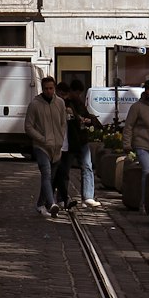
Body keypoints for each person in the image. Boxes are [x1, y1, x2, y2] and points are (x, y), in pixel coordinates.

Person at [24, 75, 67, 219]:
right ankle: (52, 203)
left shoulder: (60, 103)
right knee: (46, 174)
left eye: (51, 88)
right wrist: (42, 139)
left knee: (50, 178)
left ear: (54, 88)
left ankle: (40, 204)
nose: (49, 91)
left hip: (56, 147)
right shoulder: (35, 104)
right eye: (47, 89)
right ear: (42, 89)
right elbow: (28, 127)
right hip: (41, 147)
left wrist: (60, 139)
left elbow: (63, 123)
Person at [66, 78, 104, 207]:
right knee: (65, 169)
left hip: (82, 139)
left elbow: (86, 116)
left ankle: (88, 196)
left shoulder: (79, 103)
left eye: (79, 93)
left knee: (87, 166)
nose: (78, 95)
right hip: (71, 140)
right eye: (77, 93)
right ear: (71, 91)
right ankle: (62, 197)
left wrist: (87, 120)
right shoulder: (66, 103)